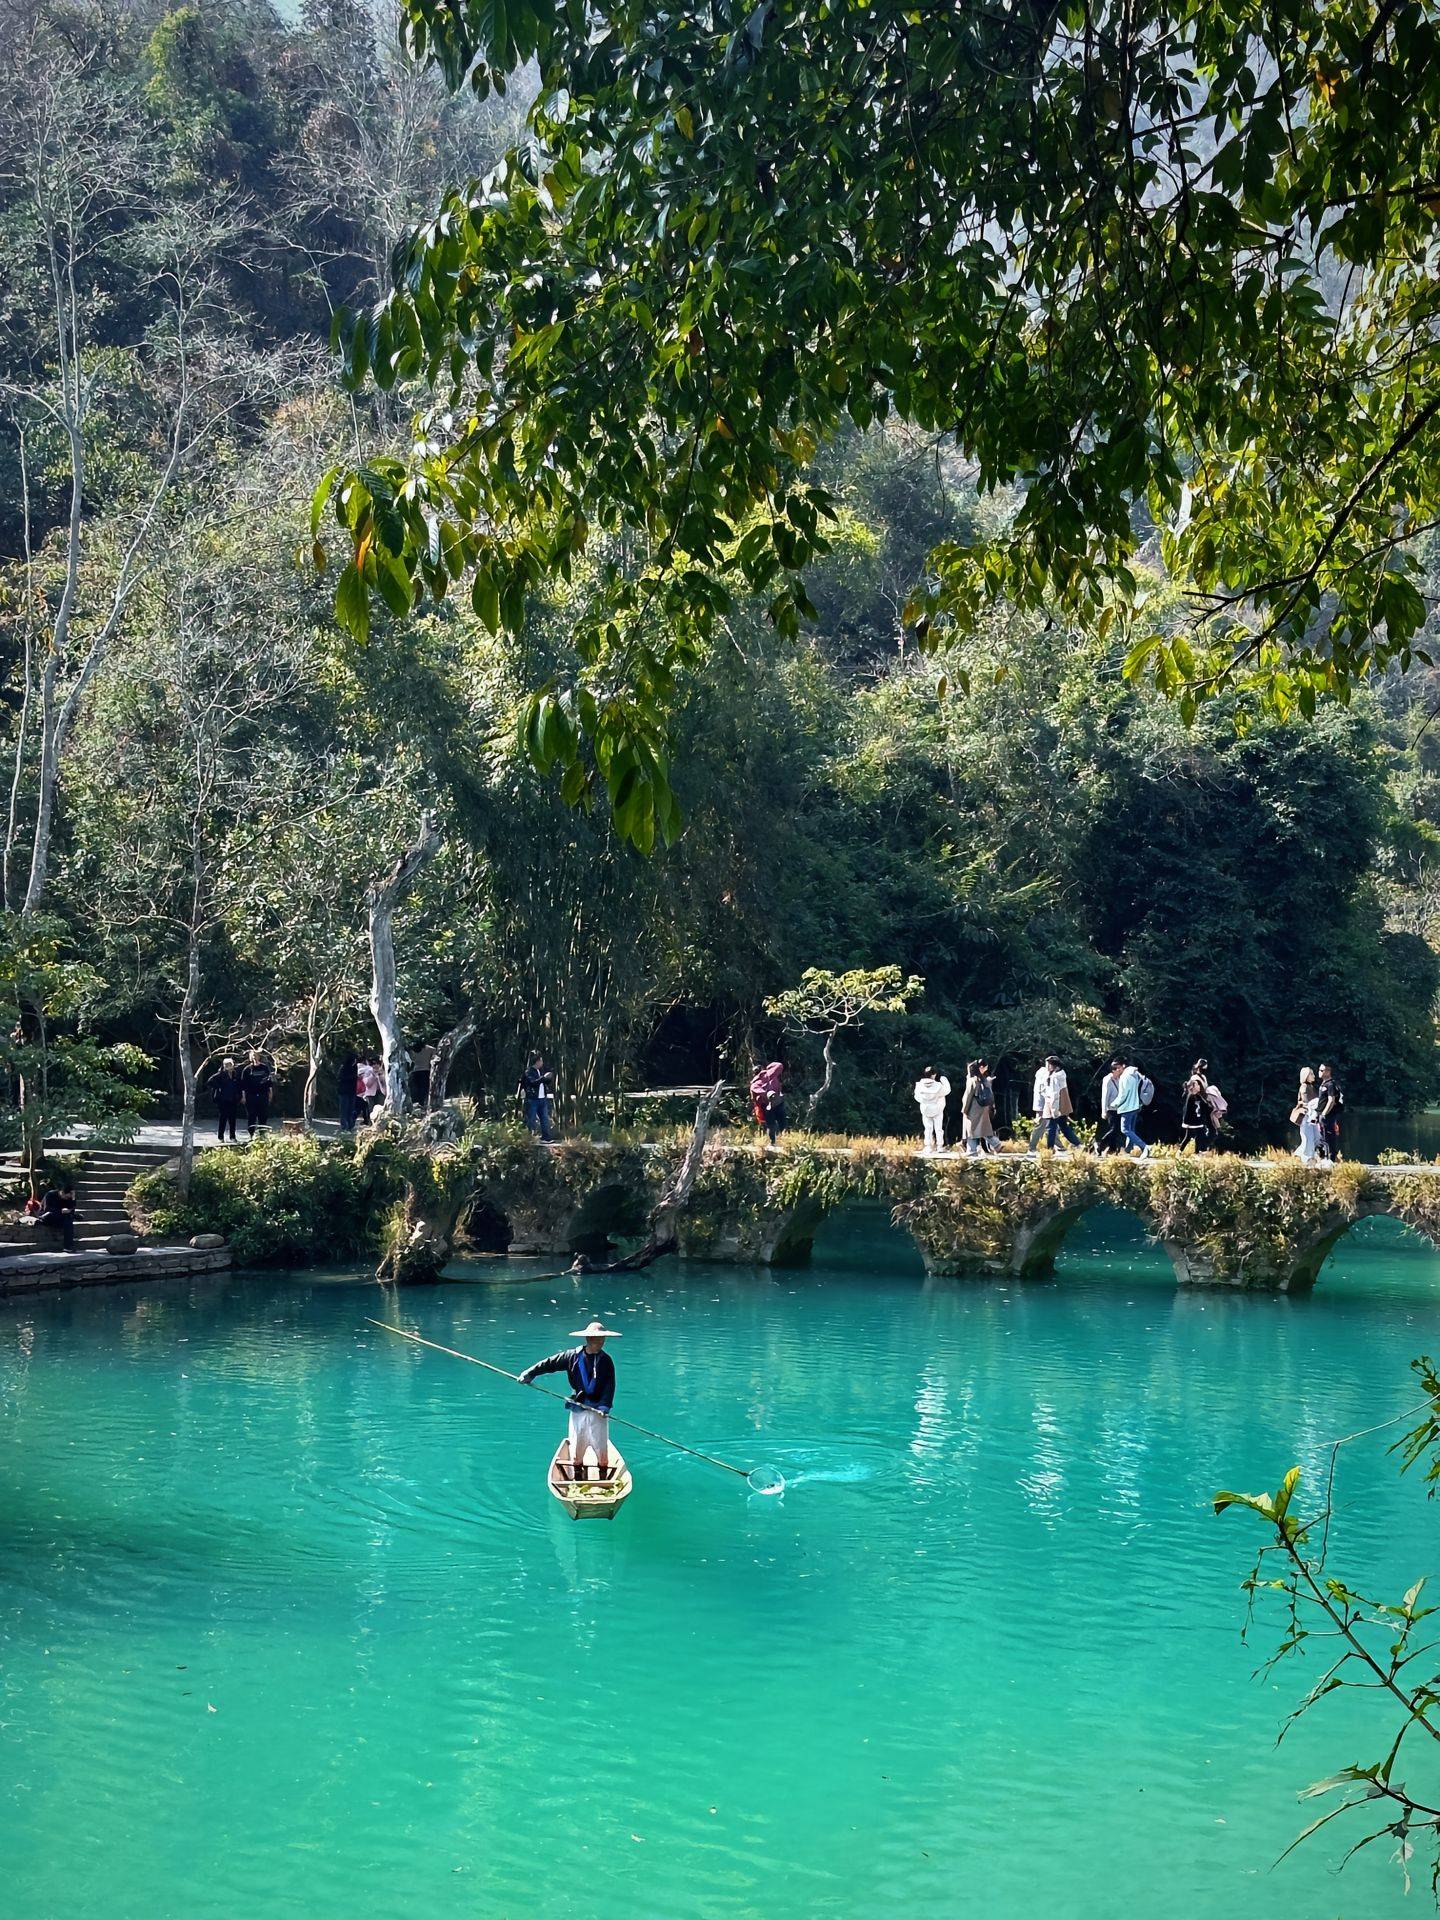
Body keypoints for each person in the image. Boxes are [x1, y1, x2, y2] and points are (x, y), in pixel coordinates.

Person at [518, 1319, 619, 1482]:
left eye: (602, 1339)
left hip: (598, 1411)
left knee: (601, 1448)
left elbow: (610, 1385)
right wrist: (530, 1373)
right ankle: (578, 1480)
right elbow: (549, 1363)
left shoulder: (606, 1361)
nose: (601, 1342)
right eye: (598, 1339)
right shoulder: (572, 1356)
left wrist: (605, 1405)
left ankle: (603, 1481)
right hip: (578, 1407)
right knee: (578, 1445)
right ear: (589, 1339)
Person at [1028, 1055, 1080, 1154]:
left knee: (1052, 1126)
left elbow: (1054, 1094)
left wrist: (1054, 1109)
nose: (1047, 1066)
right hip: (1049, 1104)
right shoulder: (1047, 1074)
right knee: (1052, 1126)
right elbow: (1042, 1092)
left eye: (1049, 1064)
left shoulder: (1055, 1077)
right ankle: (1055, 1147)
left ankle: (1051, 1148)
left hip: (1052, 1104)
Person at [1114, 1057, 1153, 1156]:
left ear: (1123, 1066)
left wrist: (1113, 1104)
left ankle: (1145, 1147)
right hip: (1136, 1105)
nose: (1117, 1070)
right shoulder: (1135, 1073)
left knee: (1125, 1129)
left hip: (1128, 1106)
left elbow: (1123, 1094)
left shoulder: (1125, 1076)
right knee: (1131, 1129)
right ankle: (1128, 1150)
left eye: (1118, 1067)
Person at [961, 1059, 998, 1156]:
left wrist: (964, 1109)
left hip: (973, 1107)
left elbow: (968, 1096)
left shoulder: (972, 1080)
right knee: (982, 1128)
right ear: (981, 1068)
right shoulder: (985, 1079)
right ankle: (996, 1143)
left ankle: (972, 1150)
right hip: (984, 1107)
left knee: (971, 1129)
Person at [517, 1052, 556, 1141]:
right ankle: (530, 1138)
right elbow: (532, 1083)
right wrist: (543, 1078)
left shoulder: (540, 1071)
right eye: (541, 1061)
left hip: (542, 1098)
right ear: (537, 1062)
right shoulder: (529, 1072)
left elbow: (543, 1082)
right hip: (533, 1099)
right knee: (531, 1119)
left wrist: (548, 1078)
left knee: (544, 1119)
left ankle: (546, 1138)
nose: (542, 1063)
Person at [914, 1066, 951, 1154]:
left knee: (927, 1128)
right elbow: (947, 1090)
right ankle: (939, 1146)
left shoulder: (919, 1085)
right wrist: (944, 1080)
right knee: (938, 1128)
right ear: (934, 1074)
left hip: (925, 1109)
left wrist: (925, 1102)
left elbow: (917, 1097)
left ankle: (928, 1147)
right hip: (937, 1108)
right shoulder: (938, 1086)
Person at [1291, 1067, 1324, 1164]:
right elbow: (1306, 1102)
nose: (1314, 1076)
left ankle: (1299, 1156)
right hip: (1306, 1117)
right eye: (1311, 1074)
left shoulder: (1310, 1087)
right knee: (1308, 1139)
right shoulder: (1304, 1087)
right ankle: (1306, 1159)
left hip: (1311, 1117)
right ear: (1306, 1076)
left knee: (1316, 1138)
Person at [240, 1049, 274, 1140]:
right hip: (251, 1096)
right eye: (252, 1055)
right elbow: (243, 1085)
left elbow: (269, 1082)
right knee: (251, 1116)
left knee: (263, 1115)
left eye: (256, 1055)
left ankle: (262, 1134)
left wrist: (270, 1093)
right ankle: (251, 1135)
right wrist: (243, 1097)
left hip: (263, 1095)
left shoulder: (264, 1068)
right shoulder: (247, 1070)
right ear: (250, 1057)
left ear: (259, 1056)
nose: (254, 1057)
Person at [208, 1057, 244, 1142]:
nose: (228, 1066)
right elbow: (210, 1082)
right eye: (226, 1065)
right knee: (223, 1119)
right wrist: (219, 1087)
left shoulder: (235, 1074)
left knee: (232, 1119)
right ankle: (220, 1137)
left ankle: (232, 1137)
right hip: (223, 1100)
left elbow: (239, 1085)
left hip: (233, 1100)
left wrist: (240, 1096)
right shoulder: (220, 1074)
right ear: (224, 1065)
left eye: (230, 1064)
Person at [750, 1062, 786, 1145]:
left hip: (777, 1103)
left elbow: (779, 1066)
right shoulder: (756, 1083)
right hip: (767, 1105)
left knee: (780, 1123)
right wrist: (768, 1094)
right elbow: (758, 1092)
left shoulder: (769, 1075)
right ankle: (772, 1142)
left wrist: (769, 1068)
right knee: (771, 1124)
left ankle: (783, 1141)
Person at [1180, 1070, 1215, 1152]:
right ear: (1193, 1087)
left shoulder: (1198, 1096)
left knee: (1197, 1136)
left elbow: (1205, 1105)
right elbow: (1187, 1111)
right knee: (1191, 1137)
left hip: (1197, 1121)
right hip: (1192, 1122)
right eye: (1197, 1085)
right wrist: (1187, 1121)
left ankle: (1195, 1152)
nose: (1199, 1086)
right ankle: (1194, 1152)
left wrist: (1213, 1107)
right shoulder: (1190, 1097)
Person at [1316, 1063, 1343, 1161]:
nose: (1319, 1072)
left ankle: (1330, 1158)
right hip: (1323, 1115)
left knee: (1328, 1136)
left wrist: (1324, 1113)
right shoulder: (1323, 1084)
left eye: (1321, 1070)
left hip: (1328, 1116)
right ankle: (1325, 1158)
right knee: (1323, 1137)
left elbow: (1331, 1100)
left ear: (1328, 1072)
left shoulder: (1330, 1084)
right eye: (1319, 1070)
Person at [1097, 1059, 1125, 1154]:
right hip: (1110, 1108)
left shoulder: (1119, 1079)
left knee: (1115, 1129)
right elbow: (1105, 1096)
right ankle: (1100, 1145)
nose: (1121, 1071)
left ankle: (1112, 1149)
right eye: (1119, 1069)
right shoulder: (1108, 1080)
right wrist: (1104, 1111)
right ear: (1113, 1070)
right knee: (1115, 1129)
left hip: (1118, 1108)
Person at [37, 1183, 75, 1251]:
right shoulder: (50, 1194)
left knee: (68, 1220)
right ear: (62, 1192)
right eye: (66, 1197)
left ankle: (67, 1246)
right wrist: (61, 1211)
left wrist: (73, 1198)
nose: (67, 1198)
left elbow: (72, 1209)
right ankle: (68, 1246)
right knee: (64, 1218)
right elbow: (47, 1209)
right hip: (46, 1216)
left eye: (68, 1197)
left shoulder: (68, 1198)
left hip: (59, 1217)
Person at [337, 1051, 359, 1133]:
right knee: (344, 1109)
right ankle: (344, 1126)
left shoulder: (354, 1067)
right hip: (344, 1092)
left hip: (352, 1091)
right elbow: (340, 1078)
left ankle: (350, 1125)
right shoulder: (344, 1067)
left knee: (351, 1109)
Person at [356, 1057, 381, 1125]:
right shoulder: (368, 1071)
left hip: (380, 1093)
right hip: (370, 1094)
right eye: (373, 1064)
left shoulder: (382, 1071)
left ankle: (379, 1124)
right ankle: (371, 1123)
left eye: (377, 1064)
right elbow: (367, 1084)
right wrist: (373, 1075)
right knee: (371, 1110)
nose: (375, 1066)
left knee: (380, 1110)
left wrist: (380, 1075)